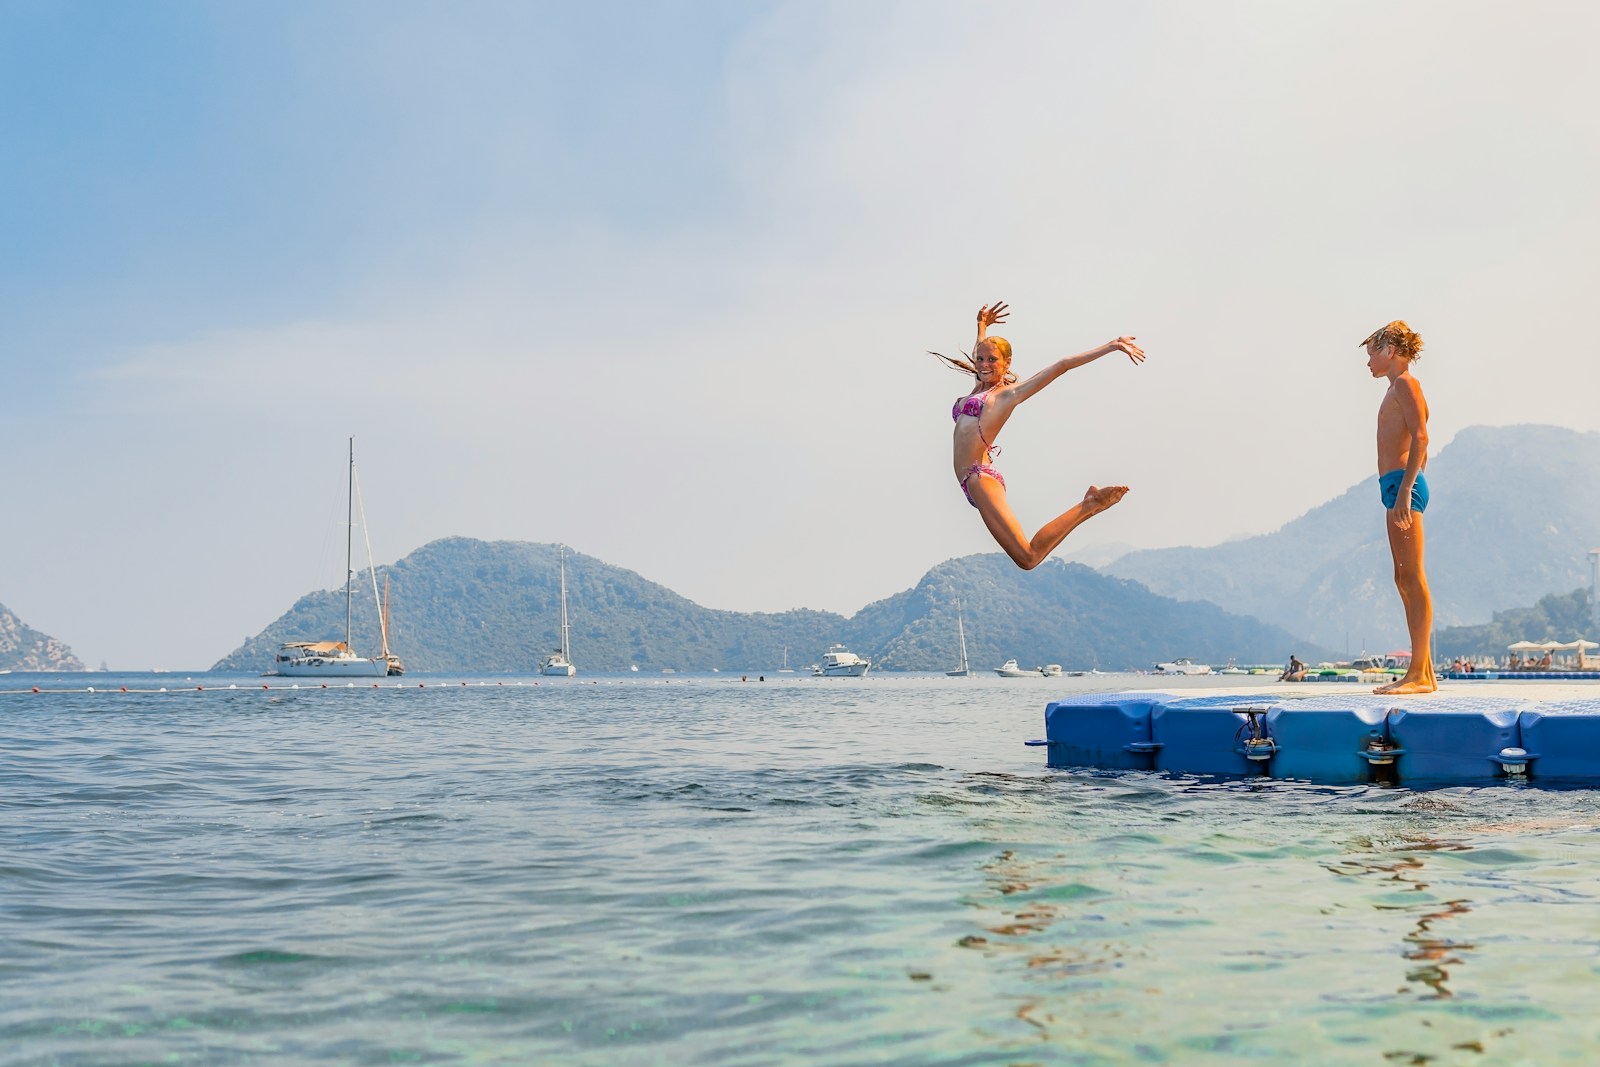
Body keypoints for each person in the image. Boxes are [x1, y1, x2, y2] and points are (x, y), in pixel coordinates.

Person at [935, 301, 1145, 569]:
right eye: (980, 359)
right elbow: (979, 351)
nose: (984, 364)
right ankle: (1091, 503)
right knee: (1025, 557)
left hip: (980, 479)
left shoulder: (1007, 396)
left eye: (992, 360)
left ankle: (1090, 503)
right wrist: (981, 326)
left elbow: (1062, 365)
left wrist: (1112, 345)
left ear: (1007, 363)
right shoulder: (979, 387)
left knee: (1028, 557)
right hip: (969, 482)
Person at [1365, 321, 1436, 694]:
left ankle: (1419, 675)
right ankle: (1424, 672)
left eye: (1371, 353)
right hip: (1395, 485)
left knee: (1412, 577)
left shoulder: (1407, 384)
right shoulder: (1396, 388)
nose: (1368, 362)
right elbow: (1423, 437)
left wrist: (1408, 488)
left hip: (1402, 486)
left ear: (1389, 349)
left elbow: (1421, 436)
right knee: (1402, 577)